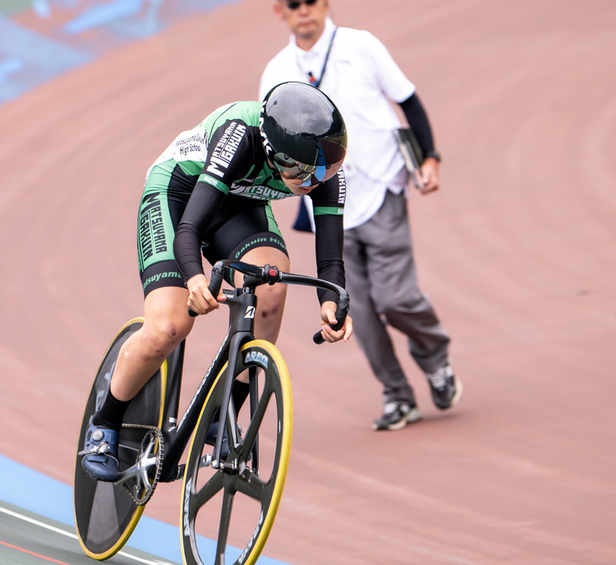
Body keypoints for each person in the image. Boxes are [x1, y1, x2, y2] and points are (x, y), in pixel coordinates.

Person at [80, 81, 353, 481]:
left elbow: (330, 257)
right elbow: (190, 228)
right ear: (277, 156)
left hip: (238, 203)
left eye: (325, 172)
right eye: (307, 174)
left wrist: (329, 304)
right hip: (177, 194)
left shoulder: (325, 169)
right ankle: (104, 422)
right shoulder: (239, 138)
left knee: (272, 292)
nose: (318, 182)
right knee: (169, 326)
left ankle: (222, 414)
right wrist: (193, 277)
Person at [259, 0, 461, 431]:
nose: (304, 11)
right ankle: (397, 395)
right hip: (326, 208)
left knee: (395, 298)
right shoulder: (276, 73)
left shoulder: (360, 46)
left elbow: (407, 99)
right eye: (293, 4)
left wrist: (431, 158)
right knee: (358, 312)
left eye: (311, 1)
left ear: (325, 3)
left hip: (380, 187)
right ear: (280, 11)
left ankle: (435, 358)